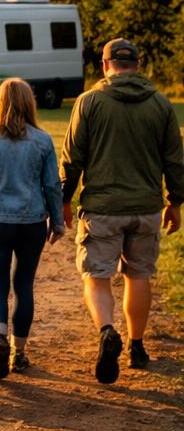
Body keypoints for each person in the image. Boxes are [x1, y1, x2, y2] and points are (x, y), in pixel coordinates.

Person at [59, 38, 184, 384]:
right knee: (138, 275)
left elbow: (72, 159)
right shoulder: (161, 104)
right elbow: (175, 161)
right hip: (145, 208)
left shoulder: (89, 102)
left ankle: (106, 331)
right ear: (139, 65)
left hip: (102, 208)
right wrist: (175, 202)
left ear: (104, 65)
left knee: (97, 277)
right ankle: (137, 346)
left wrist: (64, 199)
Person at [0, 78, 64, 380]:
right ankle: (18, 354)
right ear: (29, 103)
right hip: (31, 223)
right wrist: (57, 221)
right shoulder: (43, 140)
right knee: (24, 286)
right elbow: (51, 185)